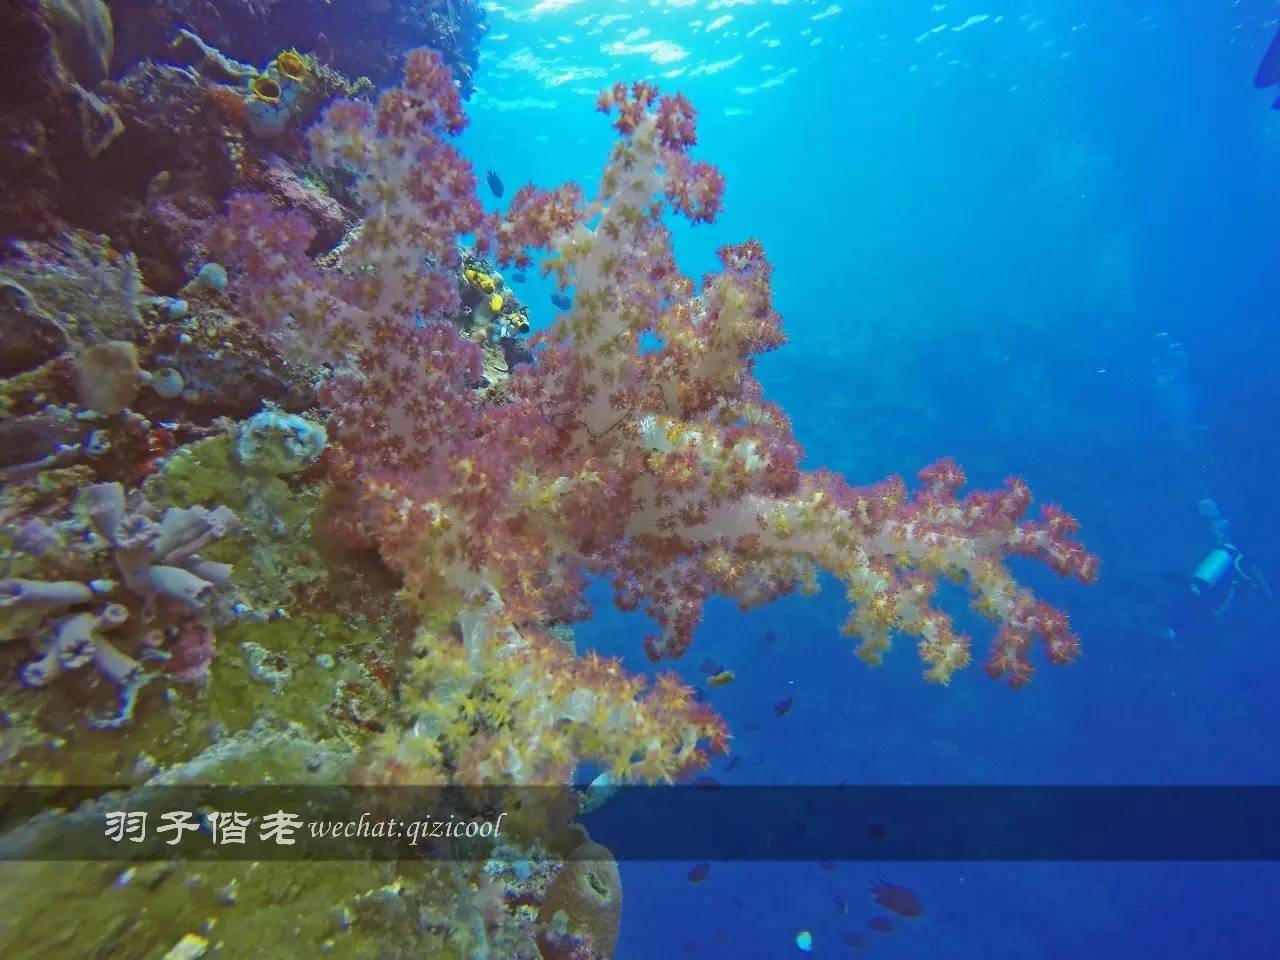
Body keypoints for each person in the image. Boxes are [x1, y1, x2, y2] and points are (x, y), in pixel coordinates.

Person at [1162, 499, 1272, 640]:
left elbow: (1236, 585)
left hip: (1208, 579)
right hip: (1209, 578)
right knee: (1195, 600)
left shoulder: (1229, 550)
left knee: (1194, 599)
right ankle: (1174, 631)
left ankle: (1173, 631)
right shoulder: (1229, 551)